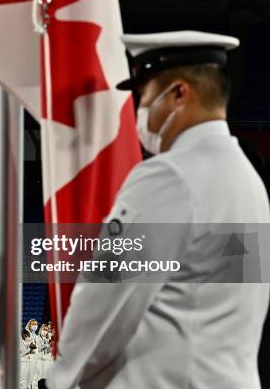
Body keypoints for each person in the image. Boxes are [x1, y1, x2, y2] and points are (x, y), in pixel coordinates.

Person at [46, 31, 270, 388]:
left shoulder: (170, 176)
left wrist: (59, 380)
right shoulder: (247, 179)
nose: (141, 110)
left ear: (179, 94)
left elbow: (105, 299)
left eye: (145, 95)